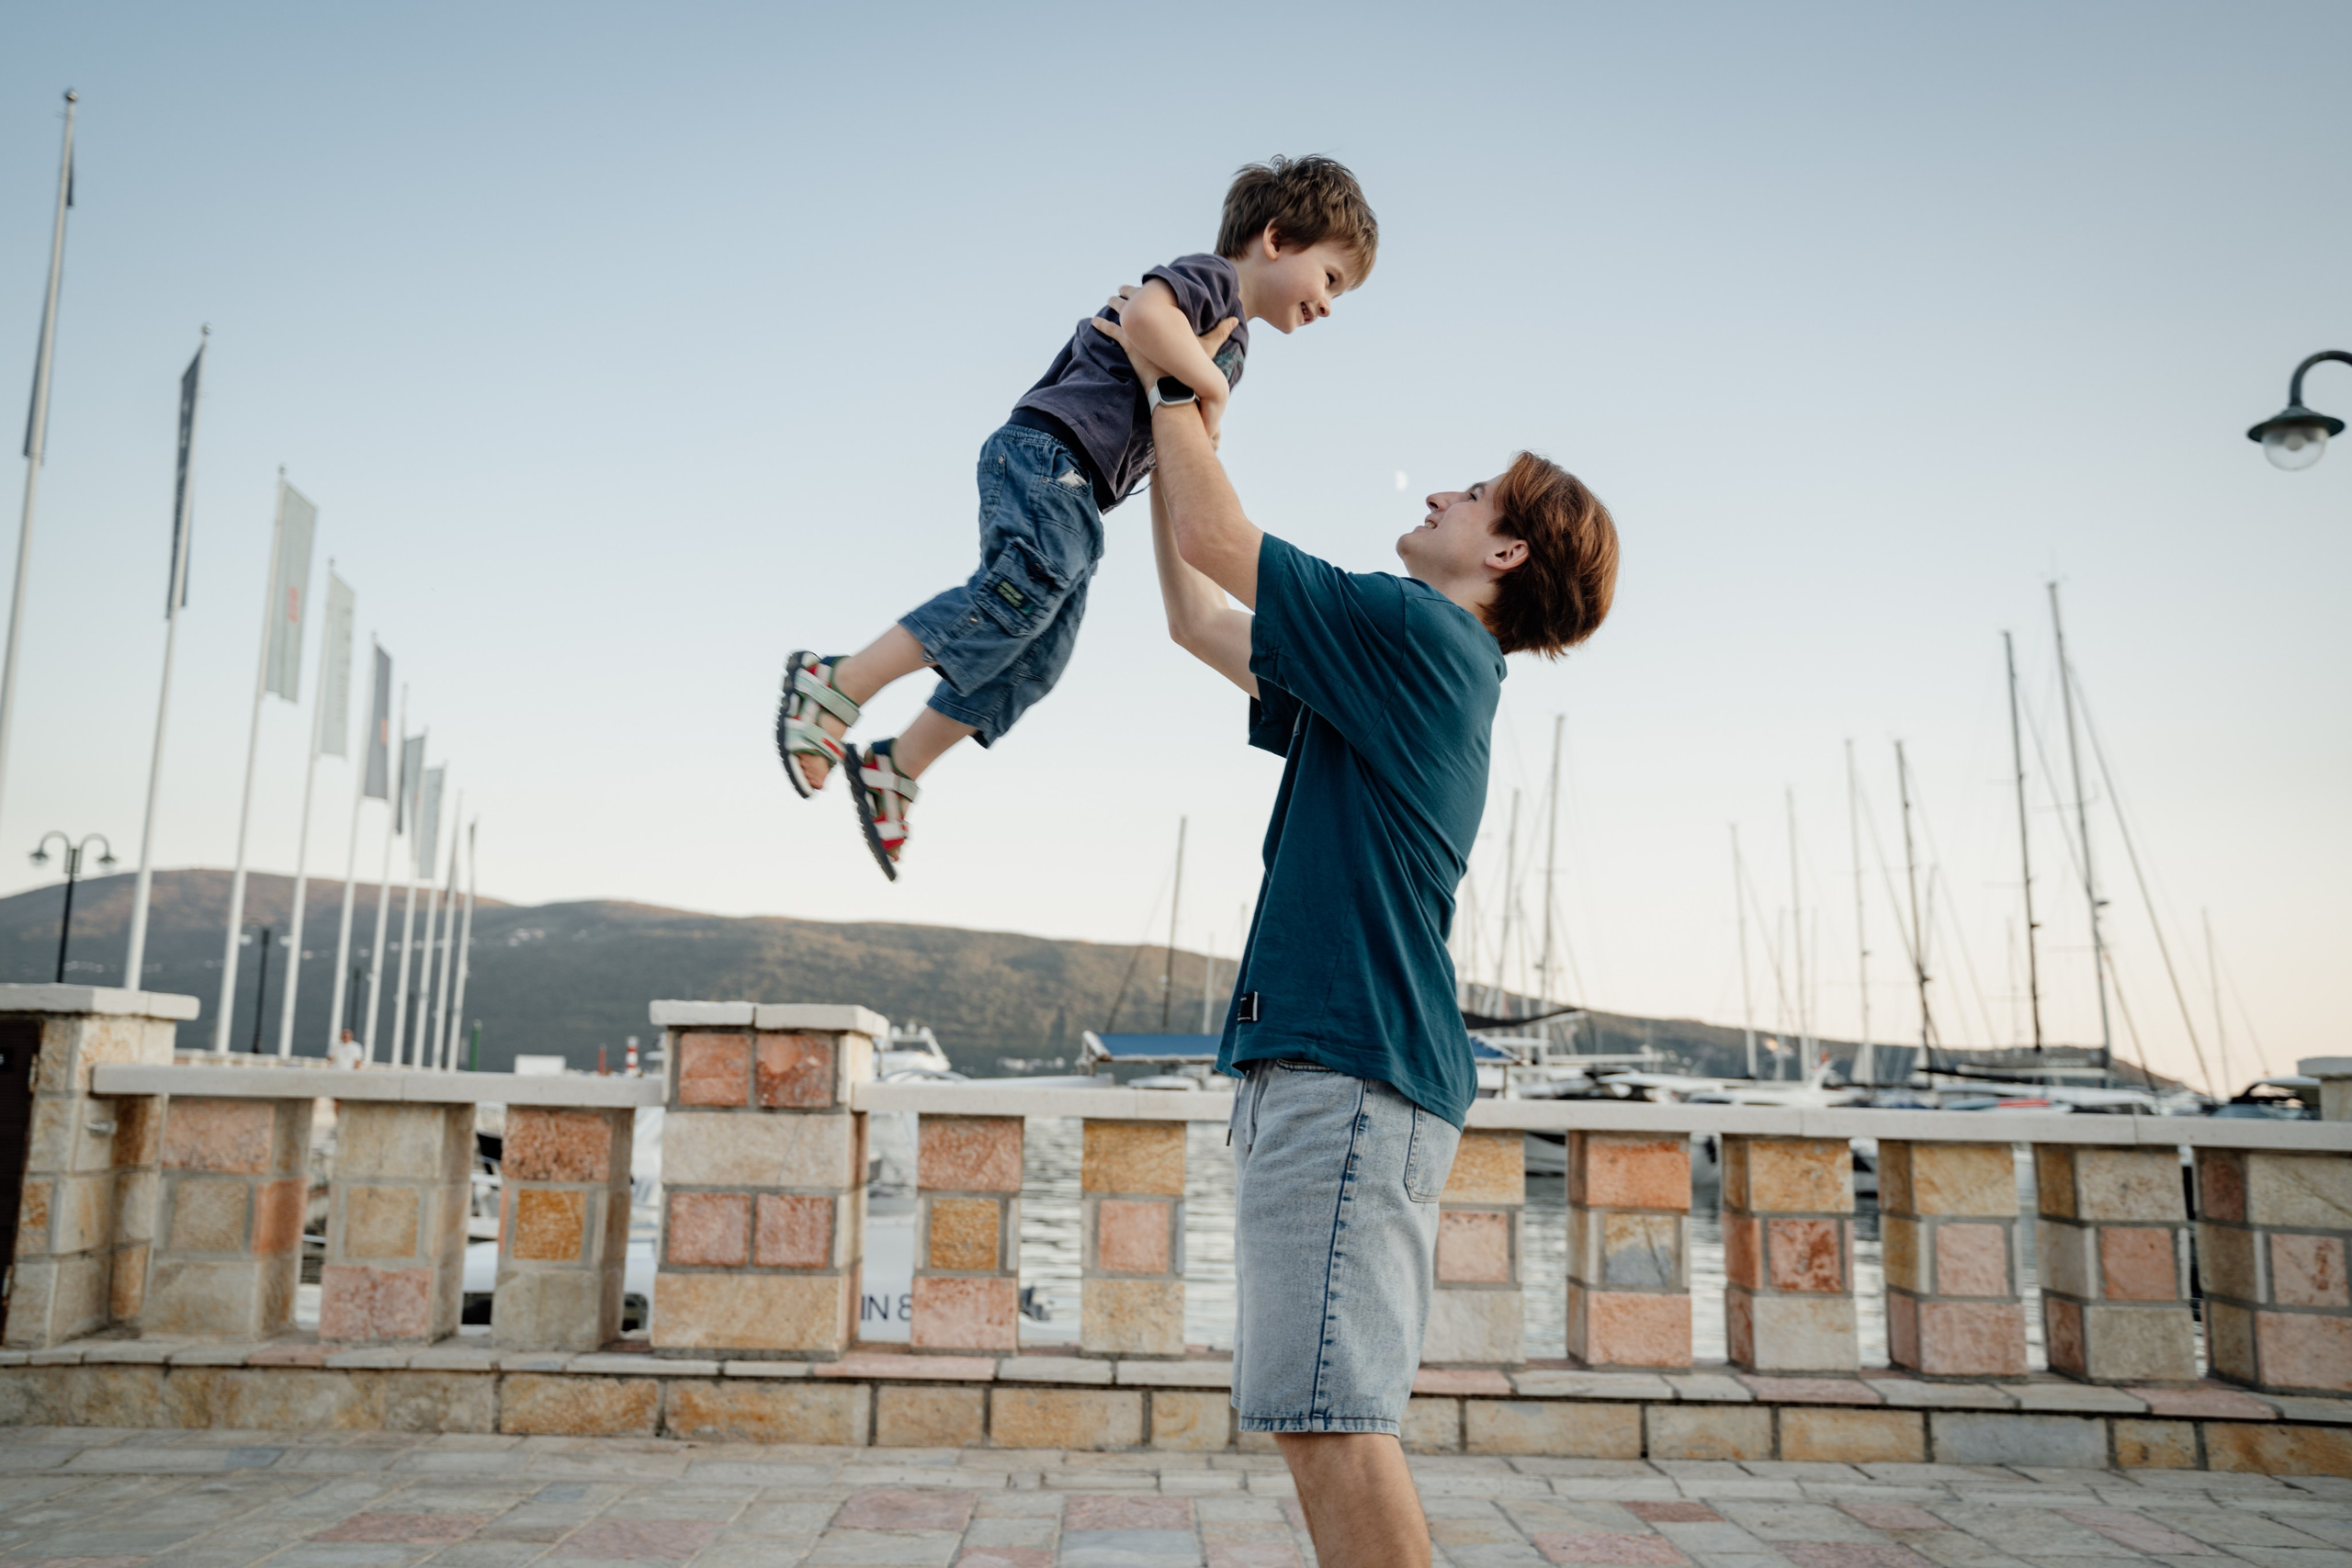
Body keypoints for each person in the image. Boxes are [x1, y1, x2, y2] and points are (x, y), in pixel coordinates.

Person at [1094, 307, 1619, 1567]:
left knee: (1331, 1420)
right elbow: (1197, 611)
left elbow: (1219, 535)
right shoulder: (1399, 664)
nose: (1444, 489)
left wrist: (1179, 383)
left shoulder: (1420, 633)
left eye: (1477, 489)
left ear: (1502, 549)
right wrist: (1182, 419)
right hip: (1340, 1074)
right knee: (1316, 1413)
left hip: (1353, 1075)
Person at [774, 156, 1378, 879]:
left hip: (1078, 493)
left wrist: (1207, 395)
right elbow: (1146, 317)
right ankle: (838, 681)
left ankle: (897, 767)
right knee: (1022, 591)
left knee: (1040, 652)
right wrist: (1210, 381)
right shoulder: (1210, 281)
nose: (1331, 305)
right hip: (1046, 455)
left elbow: (1182, 436)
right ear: (1276, 239)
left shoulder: (1232, 339)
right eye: (1332, 279)